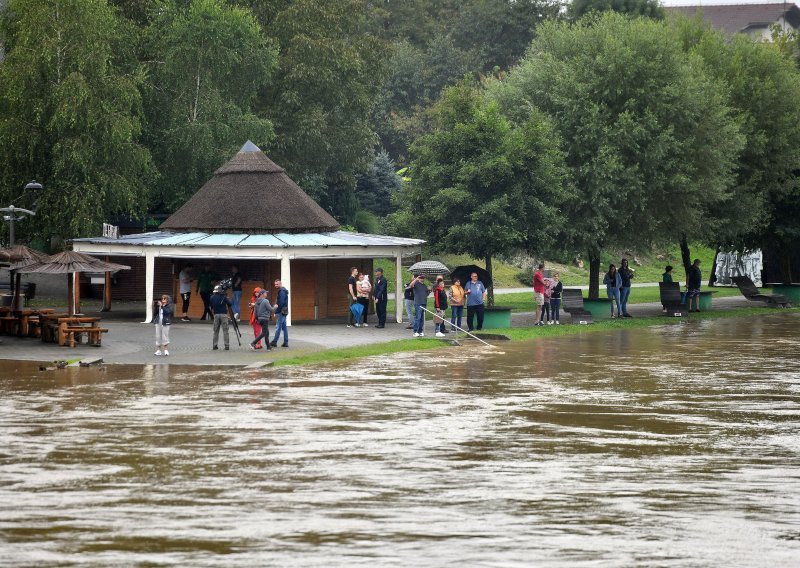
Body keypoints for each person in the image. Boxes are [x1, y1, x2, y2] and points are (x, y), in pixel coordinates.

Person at [210, 284, 232, 350]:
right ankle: (226, 345)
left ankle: (214, 345)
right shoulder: (224, 297)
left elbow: (212, 306)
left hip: (216, 315)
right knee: (225, 331)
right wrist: (227, 299)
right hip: (224, 315)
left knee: (216, 331)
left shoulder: (212, 297)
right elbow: (230, 304)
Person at [271, 279, 289, 347]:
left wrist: (276, 311)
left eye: (277, 284)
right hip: (284, 311)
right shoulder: (284, 290)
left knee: (278, 327)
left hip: (281, 312)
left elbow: (280, 303)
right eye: (275, 284)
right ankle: (286, 342)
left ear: (280, 283)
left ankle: (274, 342)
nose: (276, 285)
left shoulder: (281, 291)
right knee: (284, 328)